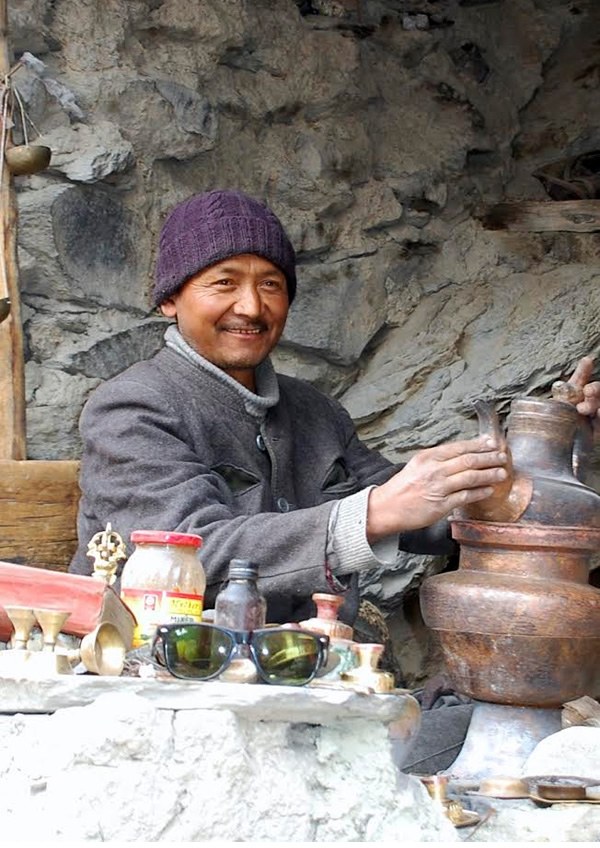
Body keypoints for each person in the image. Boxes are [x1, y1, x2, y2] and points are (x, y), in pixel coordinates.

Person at [69, 189, 600, 635]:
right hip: (167, 679)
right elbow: (192, 555)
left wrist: (558, 450)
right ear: (170, 298)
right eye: (224, 282)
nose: (252, 307)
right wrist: (373, 514)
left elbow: (429, 514)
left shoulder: (313, 410)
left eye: (271, 285)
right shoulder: (131, 407)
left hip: (305, 675)